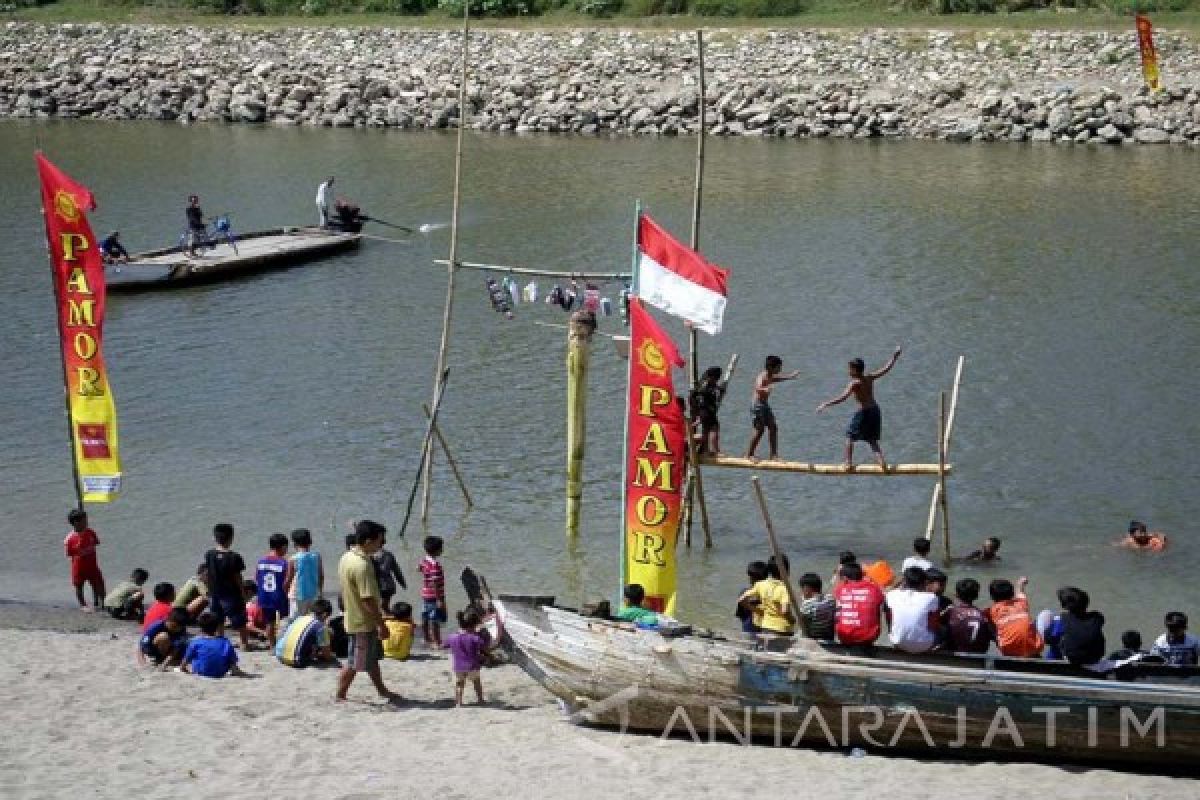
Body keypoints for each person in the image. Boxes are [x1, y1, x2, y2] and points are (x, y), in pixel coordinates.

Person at [336, 520, 399, 703]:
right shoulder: (361, 565)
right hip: (362, 621)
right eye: (380, 540)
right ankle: (340, 694)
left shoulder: (347, 556)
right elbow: (367, 600)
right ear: (368, 541)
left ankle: (382, 690)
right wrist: (381, 625)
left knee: (371, 658)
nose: (383, 544)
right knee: (354, 662)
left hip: (355, 616)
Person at [816, 348, 903, 470]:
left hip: (864, 412)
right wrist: (894, 357)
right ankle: (882, 463)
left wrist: (825, 404)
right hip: (875, 410)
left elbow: (843, 397)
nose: (848, 371)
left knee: (849, 436)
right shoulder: (869, 377)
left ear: (855, 370)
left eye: (850, 369)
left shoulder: (854, 383)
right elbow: (885, 369)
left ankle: (847, 463)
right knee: (872, 440)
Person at [205, 523, 251, 649]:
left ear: (215, 538)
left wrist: (208, 589)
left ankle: (221, 640)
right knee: (240, 620)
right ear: (231, 538)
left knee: (218, 618)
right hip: (231, 594)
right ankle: (244, 643)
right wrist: (243, 592)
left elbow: (208, 573)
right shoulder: (234, 557)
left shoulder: (209, 554)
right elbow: (237, 577)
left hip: (215, 593)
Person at [745, 355, 801, 460]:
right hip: (757, 405)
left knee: (773, 427)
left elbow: (776, 378)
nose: (780, 370)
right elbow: (757, 387)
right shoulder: (762, 376)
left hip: (764, 405)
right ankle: (749, 454)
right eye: (778, 367)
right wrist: (764, 389)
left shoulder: (770, 375)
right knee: (759, 430)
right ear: (771, 367)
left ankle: (773, 455)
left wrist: (790, 376)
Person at [446, 607, 500, 707]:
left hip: (458, 667)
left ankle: (459, 702)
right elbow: (484, 648)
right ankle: (480, 700)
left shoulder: (452, 637)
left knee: (459, 684)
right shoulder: (475, 638)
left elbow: (444, 645)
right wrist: (490, 655)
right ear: (475, 625)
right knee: (476, 682)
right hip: (472, 666)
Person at [885, 566, 940, 654]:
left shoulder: (892, 594)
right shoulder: (932, 597)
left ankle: (897, 637)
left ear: (904, 581)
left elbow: (889, 618)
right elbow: (934, 625)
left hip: (898, 641)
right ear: (924, 582)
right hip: (924, 644)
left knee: (889, 611)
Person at [985, 577, 1043, 658]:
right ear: (1012, 594)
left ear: (992, 597)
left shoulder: (990, 611)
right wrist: (1021, 583)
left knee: (988, 625)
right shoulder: (1021, 603)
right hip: (1034, 648)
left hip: (1009, 651)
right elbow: (1020, 592)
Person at [738, 555, 794, 636]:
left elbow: (741, 600)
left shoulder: (760, 584)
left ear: (769, 571)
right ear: (787, 572)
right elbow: (784, 611)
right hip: (782, 629)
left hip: (765, 627)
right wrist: (791, 619)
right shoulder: (784, 588)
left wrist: (758, 611)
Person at [834, 562, 885, 647]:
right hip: (870, 637)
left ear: (845, 578)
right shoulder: (874, 588)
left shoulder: (840, 589)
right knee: (876, 606)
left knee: (837, 609)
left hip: (844, 636)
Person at [1055, 587, 1107, 669]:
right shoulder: (1097, 617)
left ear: (1064, 606)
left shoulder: (1062, 619)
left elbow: (1049, 637)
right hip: (1095, 658)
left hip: (1073, 659)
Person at [255, 533, 292, 649]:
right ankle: (283, 645)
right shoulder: (284, 563)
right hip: (279, 595)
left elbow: (257, 578)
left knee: (269, 622)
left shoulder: (261, 561)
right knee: (284, 620)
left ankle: (272, 646)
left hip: (264, 596)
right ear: (283, 547)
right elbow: (287, 582)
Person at [182, 611, 245, 678]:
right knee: (228, 657)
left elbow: (185, 662)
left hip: (200, 671)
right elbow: (232, 659)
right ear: (217, 627)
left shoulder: (195, 642)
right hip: (221, 672)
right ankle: (235, 670)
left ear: (201, 628)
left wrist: (183, 669)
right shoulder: (225, 642)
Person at [276, 598, 337, 668]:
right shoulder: (320, 627)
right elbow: (327, 656)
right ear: (324, 614)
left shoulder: (301, 618)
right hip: (296, 660)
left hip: (279, 654)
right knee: (325, 638)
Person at [64, 509, 105, 612]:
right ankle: (83, 605)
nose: (86, 522)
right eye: (84, 521)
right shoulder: (70, 539)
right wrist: (79, 549)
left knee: (98, 584)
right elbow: (69, 554)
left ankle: (101, 602)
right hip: (79, 567)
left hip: (92, 565)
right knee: (79, 586)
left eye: (86, 520)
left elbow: (96, 542)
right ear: (76, 523)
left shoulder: (90, 532)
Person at [943, 578, 994, 653]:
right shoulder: (984, 615)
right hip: (978, 658)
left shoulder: (950, 611)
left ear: (956, 594)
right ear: (976, 596)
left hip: (953, 656)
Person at [689, 366, 728, 456]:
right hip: (707, 411)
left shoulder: (704, 383)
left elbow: (714, 388)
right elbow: (706, 392)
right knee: (714, 429)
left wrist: (719, 389)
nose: (717, 380)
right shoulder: (705, 386)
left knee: (705, 431)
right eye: (717, 378)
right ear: (712, 377)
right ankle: (715, 450)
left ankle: (705, 450)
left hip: (703, 412)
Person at [418, 534, 448, 648]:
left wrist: (423, 571)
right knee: (435, 619)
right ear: (437, 550)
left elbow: (419, 567)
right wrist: (439, 599)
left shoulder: (425, 560)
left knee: (425, 616)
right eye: (441, 548)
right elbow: (435, 583)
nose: (442, 550)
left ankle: (426, 638)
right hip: (434, 596)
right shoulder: (435, 565)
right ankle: (437, 641)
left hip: (425, 594)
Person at [290, 528, 324, 617]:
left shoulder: (293, 558)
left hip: (297, 595)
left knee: (296, 620)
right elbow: (321, 576)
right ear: (310, 541)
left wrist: (284, 592)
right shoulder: (317, 556)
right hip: (313, 593)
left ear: (295, 543)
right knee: (312, 619)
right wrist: (320, 591)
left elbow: (289, 578)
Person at [372, 531, 406, 614]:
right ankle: (389, 621)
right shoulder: (388, 555)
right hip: (387, 586)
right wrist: (402, 582)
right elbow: (397, 571)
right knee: (384, 606)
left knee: (382, 606)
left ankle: (388, 622)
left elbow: (396, 570)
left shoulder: (370, 556)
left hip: (381, 586)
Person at [797, 573, 836, 640]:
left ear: (807, 589)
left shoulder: (807, 604)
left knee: (800, 631)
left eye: (802, 589)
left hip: (814, 638)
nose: (802, 591)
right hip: (829, 637)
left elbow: (802, 624)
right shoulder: (831, 599)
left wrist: (804, 601)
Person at [735, 561, 768, 634]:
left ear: (750, 578)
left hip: (748, 628)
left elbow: (740, 615)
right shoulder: (769, 594)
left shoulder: (744, 593)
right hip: (765, 630)